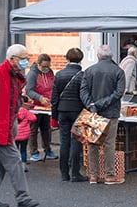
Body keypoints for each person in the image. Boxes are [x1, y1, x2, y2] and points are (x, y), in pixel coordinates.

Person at [0, 43, 40, 207]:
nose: (26, 61)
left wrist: (22, 101)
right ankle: (23, 197)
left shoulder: (13, 75)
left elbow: (7, 100)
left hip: (6, 125)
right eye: (23, 59)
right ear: (12, 59)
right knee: (14, 160)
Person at [75, 43, 125, 185]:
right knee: (109, 144)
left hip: (94, 112)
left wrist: (91, 104)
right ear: (112, 56)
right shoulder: (118, 71)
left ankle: (93, 175)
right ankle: (109, 175)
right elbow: (118, 93)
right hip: (111, 111)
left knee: (93, 143)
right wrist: (101, 104)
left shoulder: (89, 71)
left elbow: (83, 91)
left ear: (98, 56)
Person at [51, 47, 87, 182]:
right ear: (81, 59)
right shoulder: (82, 75)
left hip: (62, 111)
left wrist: (54, 115)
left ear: (67, 58)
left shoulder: (59, 74)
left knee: (64, 142)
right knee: (76, 141)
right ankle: (75, 173)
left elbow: (54, 98)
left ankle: (64, 173)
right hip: (77, 111)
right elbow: (84, 96)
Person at [23, 53, 56, 161]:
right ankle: (34, 152)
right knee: (33, 129)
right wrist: (40, 97)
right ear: (38, 64)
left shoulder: (50, 72)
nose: (46, 69)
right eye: (44, 66)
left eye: (48, 66)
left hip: (46, 105)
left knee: (46, 128)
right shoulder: (32, 74)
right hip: (35, 106)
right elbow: (29, 90)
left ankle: (47, 149)